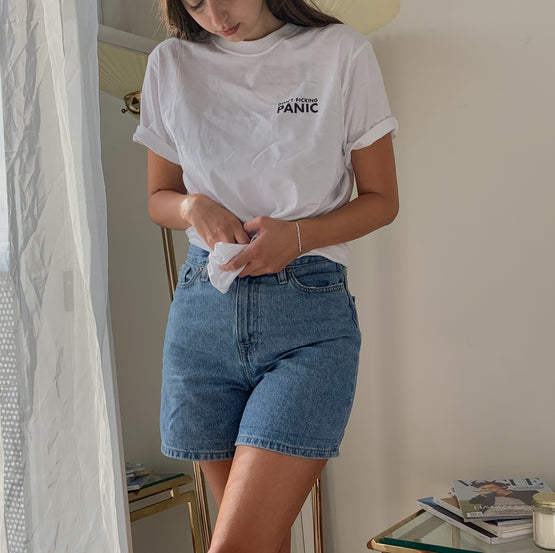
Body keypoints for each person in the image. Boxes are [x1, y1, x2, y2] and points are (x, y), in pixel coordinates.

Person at [133, 1, 399, 552]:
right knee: (263, 543)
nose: (215, 14)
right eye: (194, 2)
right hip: (203, 317)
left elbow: (381, 200)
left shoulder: (340, 52)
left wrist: (298, 237)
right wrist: (192, 207)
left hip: (307, 320)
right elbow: (160, 197)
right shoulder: (170, 62)